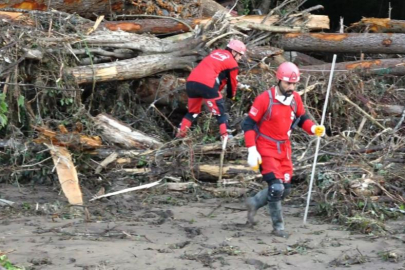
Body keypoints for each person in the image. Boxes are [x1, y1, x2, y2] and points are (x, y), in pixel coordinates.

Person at [242, 62, 325, 238]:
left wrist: (313, 129)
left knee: (286, 188)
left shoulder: (295, 99)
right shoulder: (265, 99)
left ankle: (254, 202)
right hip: (265, 146)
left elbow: (302, 119)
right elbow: (248, 123)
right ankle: (278, 227)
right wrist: (251, 149)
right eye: (288, 83)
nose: (291, 87)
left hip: (284, 148)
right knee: (276, 188)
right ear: (279, 80)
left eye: (294, 84)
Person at [176, 39, 246, 139]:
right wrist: (232, 96)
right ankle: (226, 137)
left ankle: (180, 135)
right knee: (220, 112)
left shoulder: (215, 52)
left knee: (193, 112)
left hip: (191, 82)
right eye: (240, 55)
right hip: (207, 84)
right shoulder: (233, 64)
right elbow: (232, 83)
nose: (240, 58)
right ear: (234, 52)